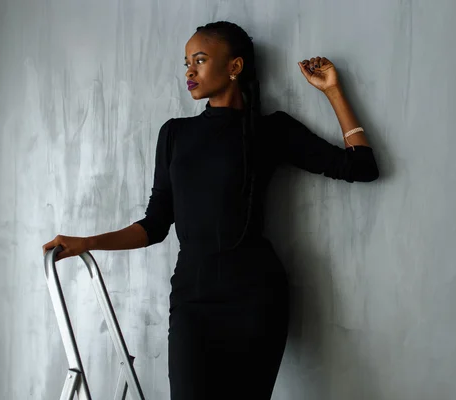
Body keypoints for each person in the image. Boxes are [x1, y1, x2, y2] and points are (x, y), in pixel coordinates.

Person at [43, 20, 379, 400]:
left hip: (256, 297)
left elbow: (361, 167)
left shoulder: (269, 131)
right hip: (192, 298)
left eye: (199, 60)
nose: (189, 71)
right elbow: (155, 225)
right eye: (186, 62)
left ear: (234, 67)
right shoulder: (174, 134)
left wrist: (333, 91)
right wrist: (87, 242)